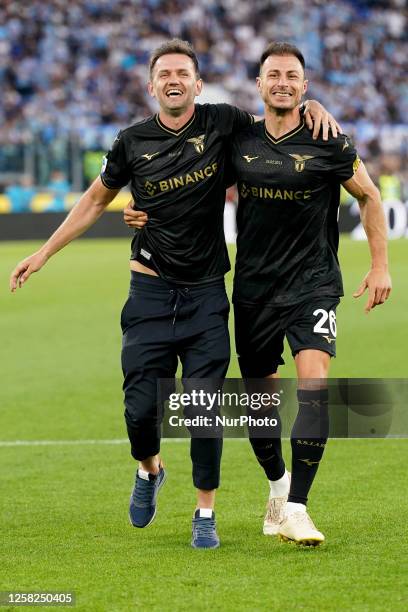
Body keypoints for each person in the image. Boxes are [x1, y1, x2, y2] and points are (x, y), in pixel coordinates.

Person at [10, 38, 340, 550]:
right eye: (164, 73)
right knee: (141, 409)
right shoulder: (130, 142)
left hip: (207, 293)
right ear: (151, 85)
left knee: (203, 408)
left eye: (183, 72)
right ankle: (150, 470)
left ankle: (206, 513)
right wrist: (45, 253)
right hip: (149, 289)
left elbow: (278, 119)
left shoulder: (224, 123)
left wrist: (313, 105)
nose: (174, 80)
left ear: (197, 84)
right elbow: (96, 199)